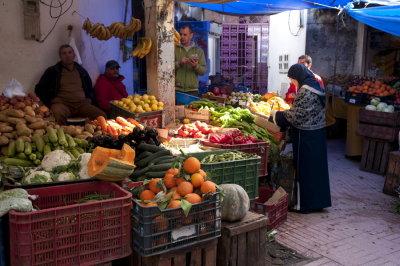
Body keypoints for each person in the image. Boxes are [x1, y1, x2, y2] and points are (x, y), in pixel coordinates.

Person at [270, 63, 331, 213]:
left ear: (298, 77)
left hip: (306, 137)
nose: (292, 83)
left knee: (306, 170)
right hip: (317, 134)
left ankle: (305, 204)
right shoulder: (315, 85)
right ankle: (318, 201)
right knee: (317, 170)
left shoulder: (305, 91)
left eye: (292, 80)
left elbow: (298, 115)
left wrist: (276, 115)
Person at [35, 44, 105, 124]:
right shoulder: (53, 71)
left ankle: (92, 135)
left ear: (74, 55)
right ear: (60, 56)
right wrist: (50, 101)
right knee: (58, 115)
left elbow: (89, 88)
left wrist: (89, 99)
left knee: (101, 116)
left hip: (82, 104)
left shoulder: (81, 70)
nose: (67, 55)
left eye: (69, 52)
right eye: (64, 53)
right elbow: (39, 89)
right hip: (62, 104)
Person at [175, 24, 206, 96]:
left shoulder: (198, 51)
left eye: (185, 35)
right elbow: (168, 68)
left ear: (191, 35)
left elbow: (203, 71)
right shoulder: (174, 49)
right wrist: (179, 63)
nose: (182, 37)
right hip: (177, 90)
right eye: (181, 34)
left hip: (192, 91)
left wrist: (195, 66)